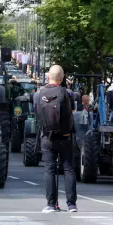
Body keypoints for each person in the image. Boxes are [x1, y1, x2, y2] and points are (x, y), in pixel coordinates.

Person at [34, 65, 77, 213]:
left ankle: (51, 204)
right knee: (69, 169)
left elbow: (37, 113)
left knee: (49, 170)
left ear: (48, 77)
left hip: (47, 137)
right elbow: (72, 112)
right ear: (63, 77)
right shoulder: (67, 93)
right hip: (65, 137)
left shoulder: (38, 94)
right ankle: (72, 205)